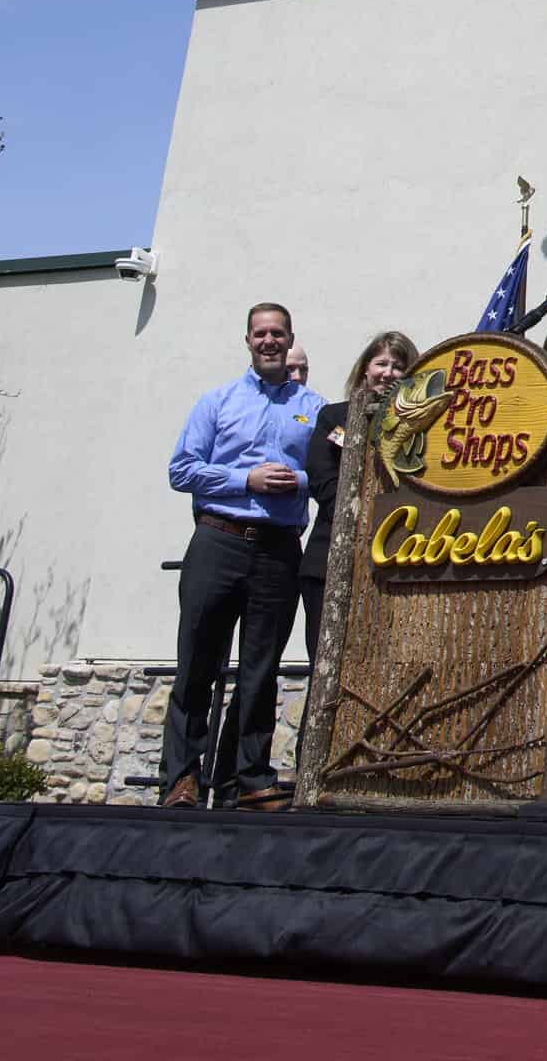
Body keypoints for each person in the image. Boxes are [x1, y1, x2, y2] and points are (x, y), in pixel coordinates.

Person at [162, 302, 323, 810]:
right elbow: (182, 471)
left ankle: (249, 779)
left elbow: (325, 475)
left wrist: (294, 480)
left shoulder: (313, 408)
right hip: (217, 539)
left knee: (261, 669)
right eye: (261, 333)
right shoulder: (217, 402)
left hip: (277, 549)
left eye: (278, 333)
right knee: (197, 664)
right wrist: (243, 480)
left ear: (289, 337)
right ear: (248, 340)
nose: (269, 341)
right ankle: (181, 780)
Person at [302, 330, 414, 663]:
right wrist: (368, 517)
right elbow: (322, 480)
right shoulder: (333, 417)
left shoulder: (419, 426)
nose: (388, 372)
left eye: (398, 366)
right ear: (365, 368)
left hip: (395, 560)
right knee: (325, 663)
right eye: (381, 363)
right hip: (327, 560)